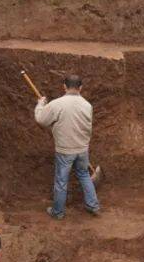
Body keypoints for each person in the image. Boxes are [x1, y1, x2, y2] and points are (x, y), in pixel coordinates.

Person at [33, 75, 100, 219]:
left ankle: (58, 212)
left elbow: (41, 120)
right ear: (80, 88)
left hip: (65, 151)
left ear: (64, 86)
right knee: (84, 175)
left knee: (61, 181)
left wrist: (40, 105)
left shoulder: (57, 104)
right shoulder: (87, 105)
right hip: (82, 149)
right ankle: (93, 205)